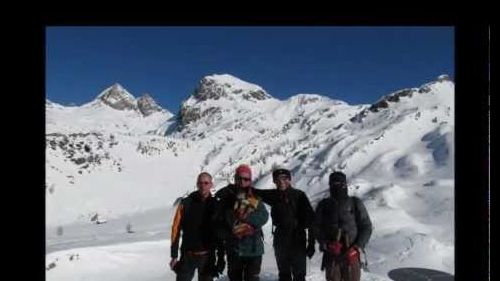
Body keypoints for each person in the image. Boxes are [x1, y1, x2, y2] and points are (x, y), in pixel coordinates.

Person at [253, 168, 316, 281]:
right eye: (278, 179)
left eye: (284, 178)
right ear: (274, 182)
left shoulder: (299, 196)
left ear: (289, 179)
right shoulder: (274, 195)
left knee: (299, 276)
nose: (281, 182)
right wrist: (240, 187)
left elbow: (311, 220)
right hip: (280, 240)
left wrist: (311, 244)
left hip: (298, 240)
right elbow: (256, 192)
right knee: (284, 275)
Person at [213, 164, 269, 281]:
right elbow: (218, 223)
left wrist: (245, 217)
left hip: (254, 250)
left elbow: (264, 217)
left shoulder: (255, 197)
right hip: (234, 250)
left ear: (250, 181)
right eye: (240, 178)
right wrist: (228, 232)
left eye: (246, 179)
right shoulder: (226, 198)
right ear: (235, 179)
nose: (242, 182)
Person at [314, 171, 372, 281]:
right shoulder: (324, 205)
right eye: (333, 184)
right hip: (332, 256)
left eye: (340, 184)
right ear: (330, 186)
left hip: (352, 255)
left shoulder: (355, 203)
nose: (337, 187)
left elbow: (366, 226)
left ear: (345, 185)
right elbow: (316, 228)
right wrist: (326, 244)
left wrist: (357, 247)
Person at [170, 172, 222, 281]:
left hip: (208, 256)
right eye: (200, 183)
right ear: (197, 184)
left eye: (206, 183)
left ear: (211, 185)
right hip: (187, 255)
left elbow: (220, 232)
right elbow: (176, 229)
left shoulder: (216, 205)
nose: (203, 186)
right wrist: (174, 255)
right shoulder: (186, 203)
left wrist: (221, 258)